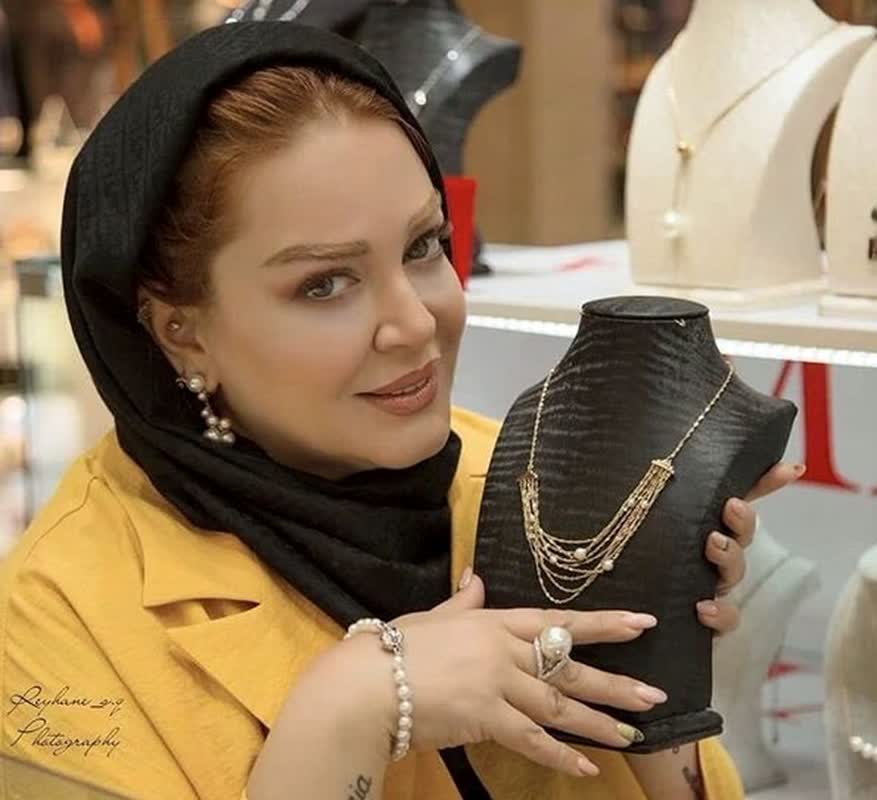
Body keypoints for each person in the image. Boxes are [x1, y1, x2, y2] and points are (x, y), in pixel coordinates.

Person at [0, 22, 803, 800]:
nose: (416, 323)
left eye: (422, 246)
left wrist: (653, 654)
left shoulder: (526, 486)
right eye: (324, 284)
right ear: (180, 332)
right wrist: (349, 712)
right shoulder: (56, 618)